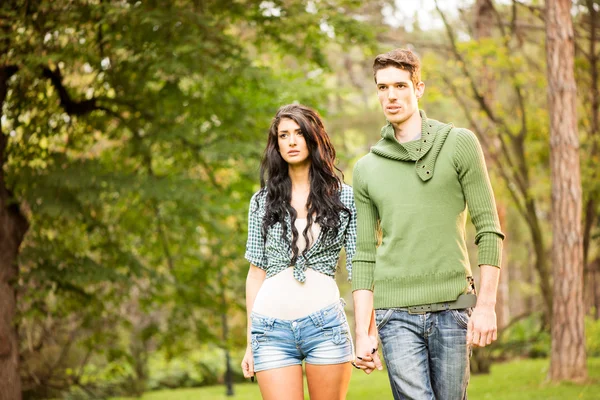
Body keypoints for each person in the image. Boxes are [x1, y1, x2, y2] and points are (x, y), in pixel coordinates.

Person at [352, 48, 505, 399]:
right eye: (382, 87)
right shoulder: (366, 168)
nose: (391, 96)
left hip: (453, 309)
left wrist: (486, 306)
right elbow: (363, 254)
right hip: (395, 315)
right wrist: (363, 331)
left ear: (419, 88)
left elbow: (489, 229)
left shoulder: (459, 144)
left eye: (400, 85)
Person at [241, 104, 363, 400]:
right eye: (284, 135)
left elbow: (361, 267)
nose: (292, 141)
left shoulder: (344, 197)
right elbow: (256, 272)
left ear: (314, 138)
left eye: (299, 133)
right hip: (269, 332)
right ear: (276, 144)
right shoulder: (261, 201)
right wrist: (250, 341)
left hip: (326, 328)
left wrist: (364, 332)